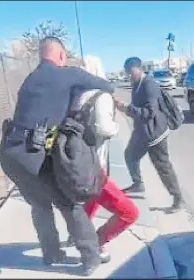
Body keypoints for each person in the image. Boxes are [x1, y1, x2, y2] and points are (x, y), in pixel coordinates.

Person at [0, 37, 114, 275]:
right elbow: (106, 86)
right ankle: (91, 257)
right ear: (61, 55)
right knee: (68, 204)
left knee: (40, 206)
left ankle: (51, 253)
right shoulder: (68, 74)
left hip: (10, 155)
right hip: (34, 155)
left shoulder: (30, 79)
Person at [65, 55, 139, 261]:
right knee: (129, 212)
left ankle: (77, 235)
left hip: (75, 163)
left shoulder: (74, 95)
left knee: (91, 202)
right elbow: (104, 128)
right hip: (94, 167)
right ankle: (97, 242)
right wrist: (116, 127)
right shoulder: (101, 95)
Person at [115, 57, 184, 213]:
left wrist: (125, 107)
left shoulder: (149, 84)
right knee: (130, 155)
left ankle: (177, 198)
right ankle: (137, 184)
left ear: (138, 68)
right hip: (142, 132)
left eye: (129, 71)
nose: (128, 75)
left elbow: (149, 113)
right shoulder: (136, 84)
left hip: (155, 134)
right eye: (126, 72)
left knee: (163, 166)